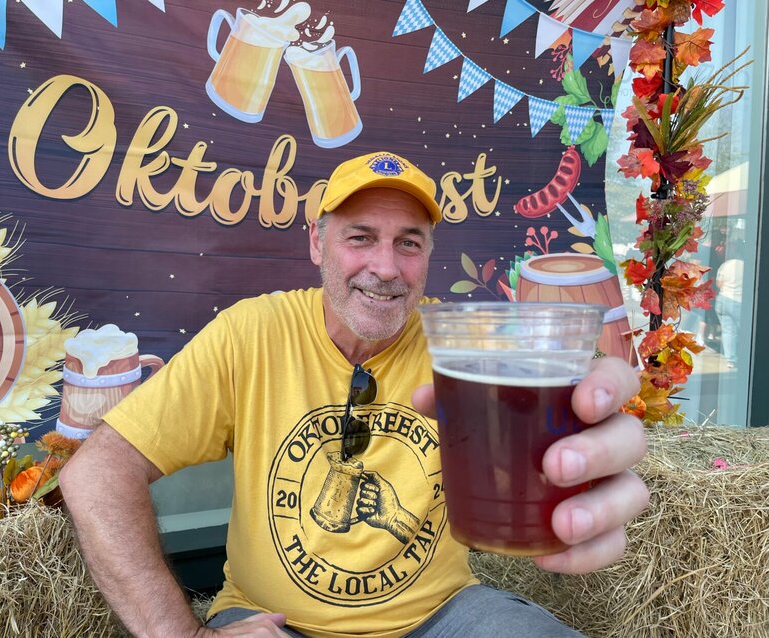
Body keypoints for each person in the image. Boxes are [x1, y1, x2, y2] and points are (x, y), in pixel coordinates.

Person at [60, 151, 649, 638]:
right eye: (360, 237)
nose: (386, 267)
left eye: (409, 243)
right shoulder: (252, 332)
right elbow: (96, 472)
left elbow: (551, 439)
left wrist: (585, 448)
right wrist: (180, 636)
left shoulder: (463, 352)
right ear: (317, 242)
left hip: (442, 618)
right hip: (274, 622)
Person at [715, 250, 744, 369]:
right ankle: (742, 356)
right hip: (738, 301)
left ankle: (730, 360)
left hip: (723, 299)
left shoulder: (725, 265)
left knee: (728, 331)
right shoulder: (746, 266)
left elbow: (719, 284)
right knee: (742, 331)